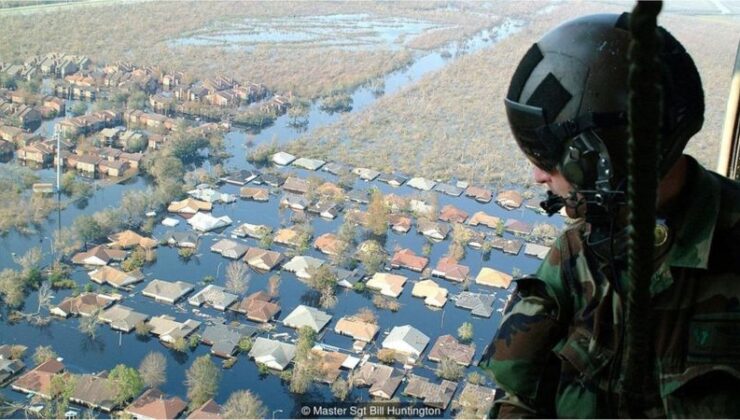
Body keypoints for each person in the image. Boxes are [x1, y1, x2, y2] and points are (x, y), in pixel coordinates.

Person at [480, 12, 740, 418]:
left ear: (605, 159)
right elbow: (517, 394)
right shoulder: (577, 251)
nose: (537, 175)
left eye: (548, 157)